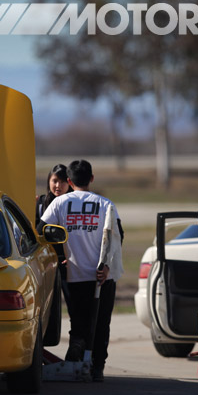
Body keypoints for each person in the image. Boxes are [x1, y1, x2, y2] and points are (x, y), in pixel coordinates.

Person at [38, 160, 124, 382]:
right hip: (101, 277)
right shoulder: (106, 204)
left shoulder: (59, 203)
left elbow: (42, 231)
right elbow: (117, 237)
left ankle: (79, 361)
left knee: (78, 322)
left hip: (74, 275)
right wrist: (106, 267)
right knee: (101, 322)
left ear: (69, 181)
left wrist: (60, 255)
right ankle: (97, 367)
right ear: (92, 179)